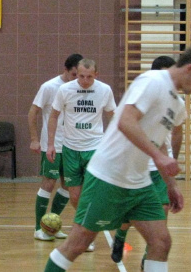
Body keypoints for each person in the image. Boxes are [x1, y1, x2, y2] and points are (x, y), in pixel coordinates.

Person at [44, 45, 191, 272]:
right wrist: (158, 157)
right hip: (108, 176)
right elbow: (125, 121)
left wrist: (171, 184)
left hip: (139, 182)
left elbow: (157, 143)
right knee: (77, 244)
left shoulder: (176, 104)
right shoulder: (153, 81)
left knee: (161, 242)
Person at [110, 55, 177, 267]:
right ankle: (120, 236)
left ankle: (150, 258)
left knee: (162, 214)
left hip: (159, 168)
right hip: (139, 167)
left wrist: (173, 159)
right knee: (131, 217)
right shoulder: (144, 95)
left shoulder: (176, 101)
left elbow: (177, 132)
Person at [46, 58, 116, 251]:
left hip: (94, 148)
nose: (84, 80)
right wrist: (51, 144)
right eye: (81, 76)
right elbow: (53, 116)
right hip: (70, 149)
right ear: (76, 73)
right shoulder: (65, 90)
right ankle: (87, 225)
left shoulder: (104, 90)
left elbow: (113, 116)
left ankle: (86, 233)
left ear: (96, 75)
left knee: (90, 193)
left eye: (89, 77)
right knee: (75, 196)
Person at [28, 53, 83, 241]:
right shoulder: (49, 87)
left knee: (68, 186)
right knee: (49, 183)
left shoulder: (81, 89)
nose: (77, 79)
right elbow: (32, 112)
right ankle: (38, 228)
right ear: (65, 70)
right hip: (52, 144)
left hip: (71, 146)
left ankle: (51, 224)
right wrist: (35, 139)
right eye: (74, 74)